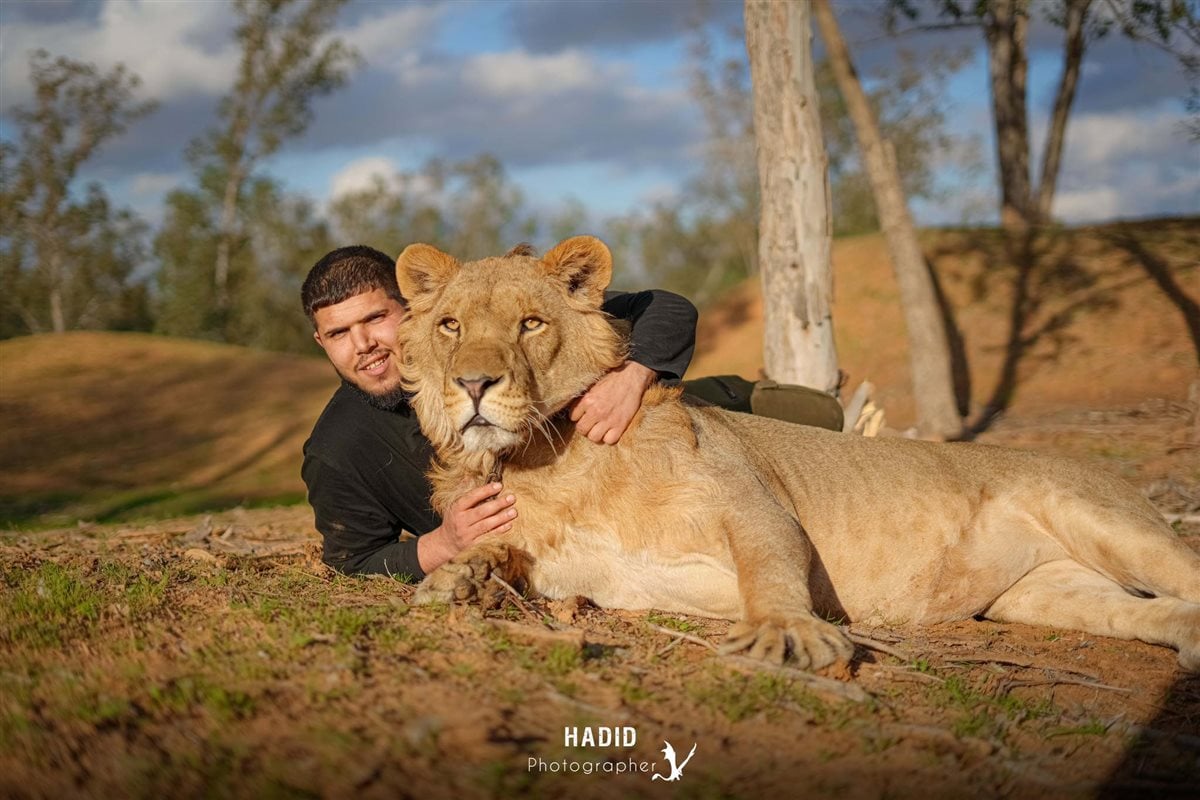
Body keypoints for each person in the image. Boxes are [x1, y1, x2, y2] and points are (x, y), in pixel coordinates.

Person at [301, 244, 845, 580]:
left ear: (408, 308)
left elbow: (666, 307)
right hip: (573, 525)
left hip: (687, 417)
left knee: (815, 421)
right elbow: (352, 560)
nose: (364, 345)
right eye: (339, 333)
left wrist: (633, 377)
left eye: (375, 319)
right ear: (321, 342)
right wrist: (442, 544)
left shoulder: (482, 306)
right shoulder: (338, 449)